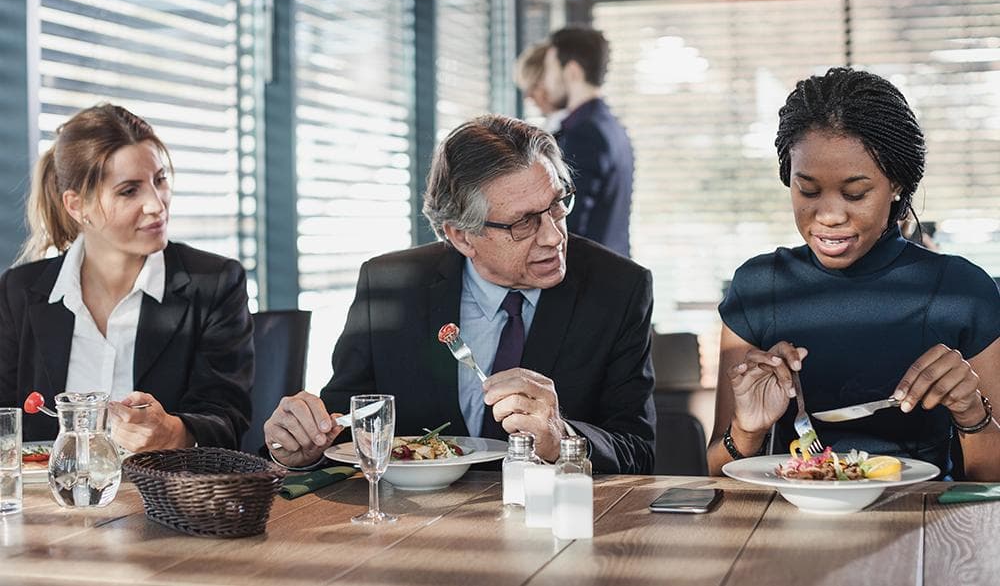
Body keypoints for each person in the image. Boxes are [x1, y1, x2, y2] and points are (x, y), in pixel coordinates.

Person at [264, 114, 655, 473]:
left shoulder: (618, 287)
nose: (554, 236)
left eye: (556, 206)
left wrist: (561, 438)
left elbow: (638, 452)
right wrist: (303, 450)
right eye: (524, 223)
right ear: (461, 235)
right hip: (414, 529)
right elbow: (346, 428)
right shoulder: (389, 285)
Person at [708, 67, 1000, 480]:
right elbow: (718, 476)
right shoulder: (758, 288)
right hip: (789, 529)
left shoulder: (962, 292)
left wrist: (972, 413)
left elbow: (994, 488)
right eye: (807, 190)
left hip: (922, 528)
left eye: (855, 193)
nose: (828, 215)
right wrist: (748, 429)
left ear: (897, 183)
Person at [0, 104, 254, 451]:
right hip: (47, 500)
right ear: (77, 206)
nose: (156, 204)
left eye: (159, 180)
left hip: (165, 499)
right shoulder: (19, 291)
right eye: (129, 190)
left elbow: (227, 420)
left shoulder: (215, 283)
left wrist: (173, 432)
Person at [543, 25, 634, 257]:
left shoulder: (583, 133)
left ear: (572, 71)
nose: (546, 81)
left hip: (591, 277)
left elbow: (567, 224)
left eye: (549, 69)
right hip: (614, 267)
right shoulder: (612, 126)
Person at [514, 41, 566, 133]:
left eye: (534, 86)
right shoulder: (550, 126)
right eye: (526, 89)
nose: (529, 96)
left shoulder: (574, 129)